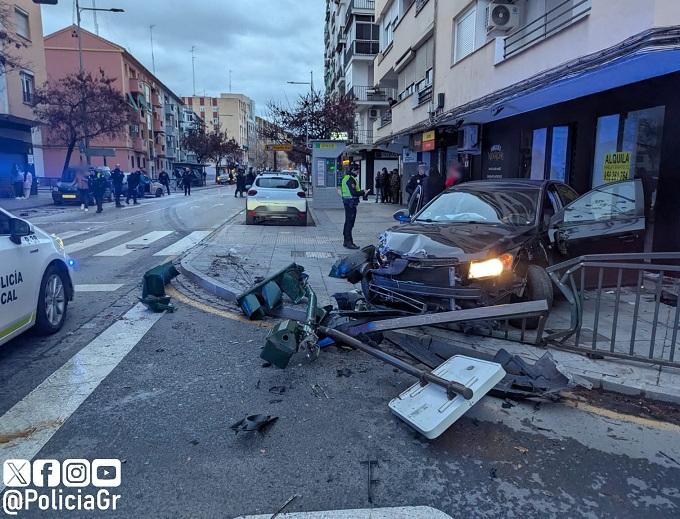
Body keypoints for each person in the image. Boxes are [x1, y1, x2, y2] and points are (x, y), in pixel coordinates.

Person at [341, 164, 365, 250]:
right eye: (356, 171)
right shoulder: (350, 179)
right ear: (352, 170)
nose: (358, 172)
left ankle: (346, 241)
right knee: (350, 223)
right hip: (350, 203)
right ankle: (348, 242)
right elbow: (354, 192)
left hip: (348, 202)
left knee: (348, 222)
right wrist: (363, 192)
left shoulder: (347, 178)